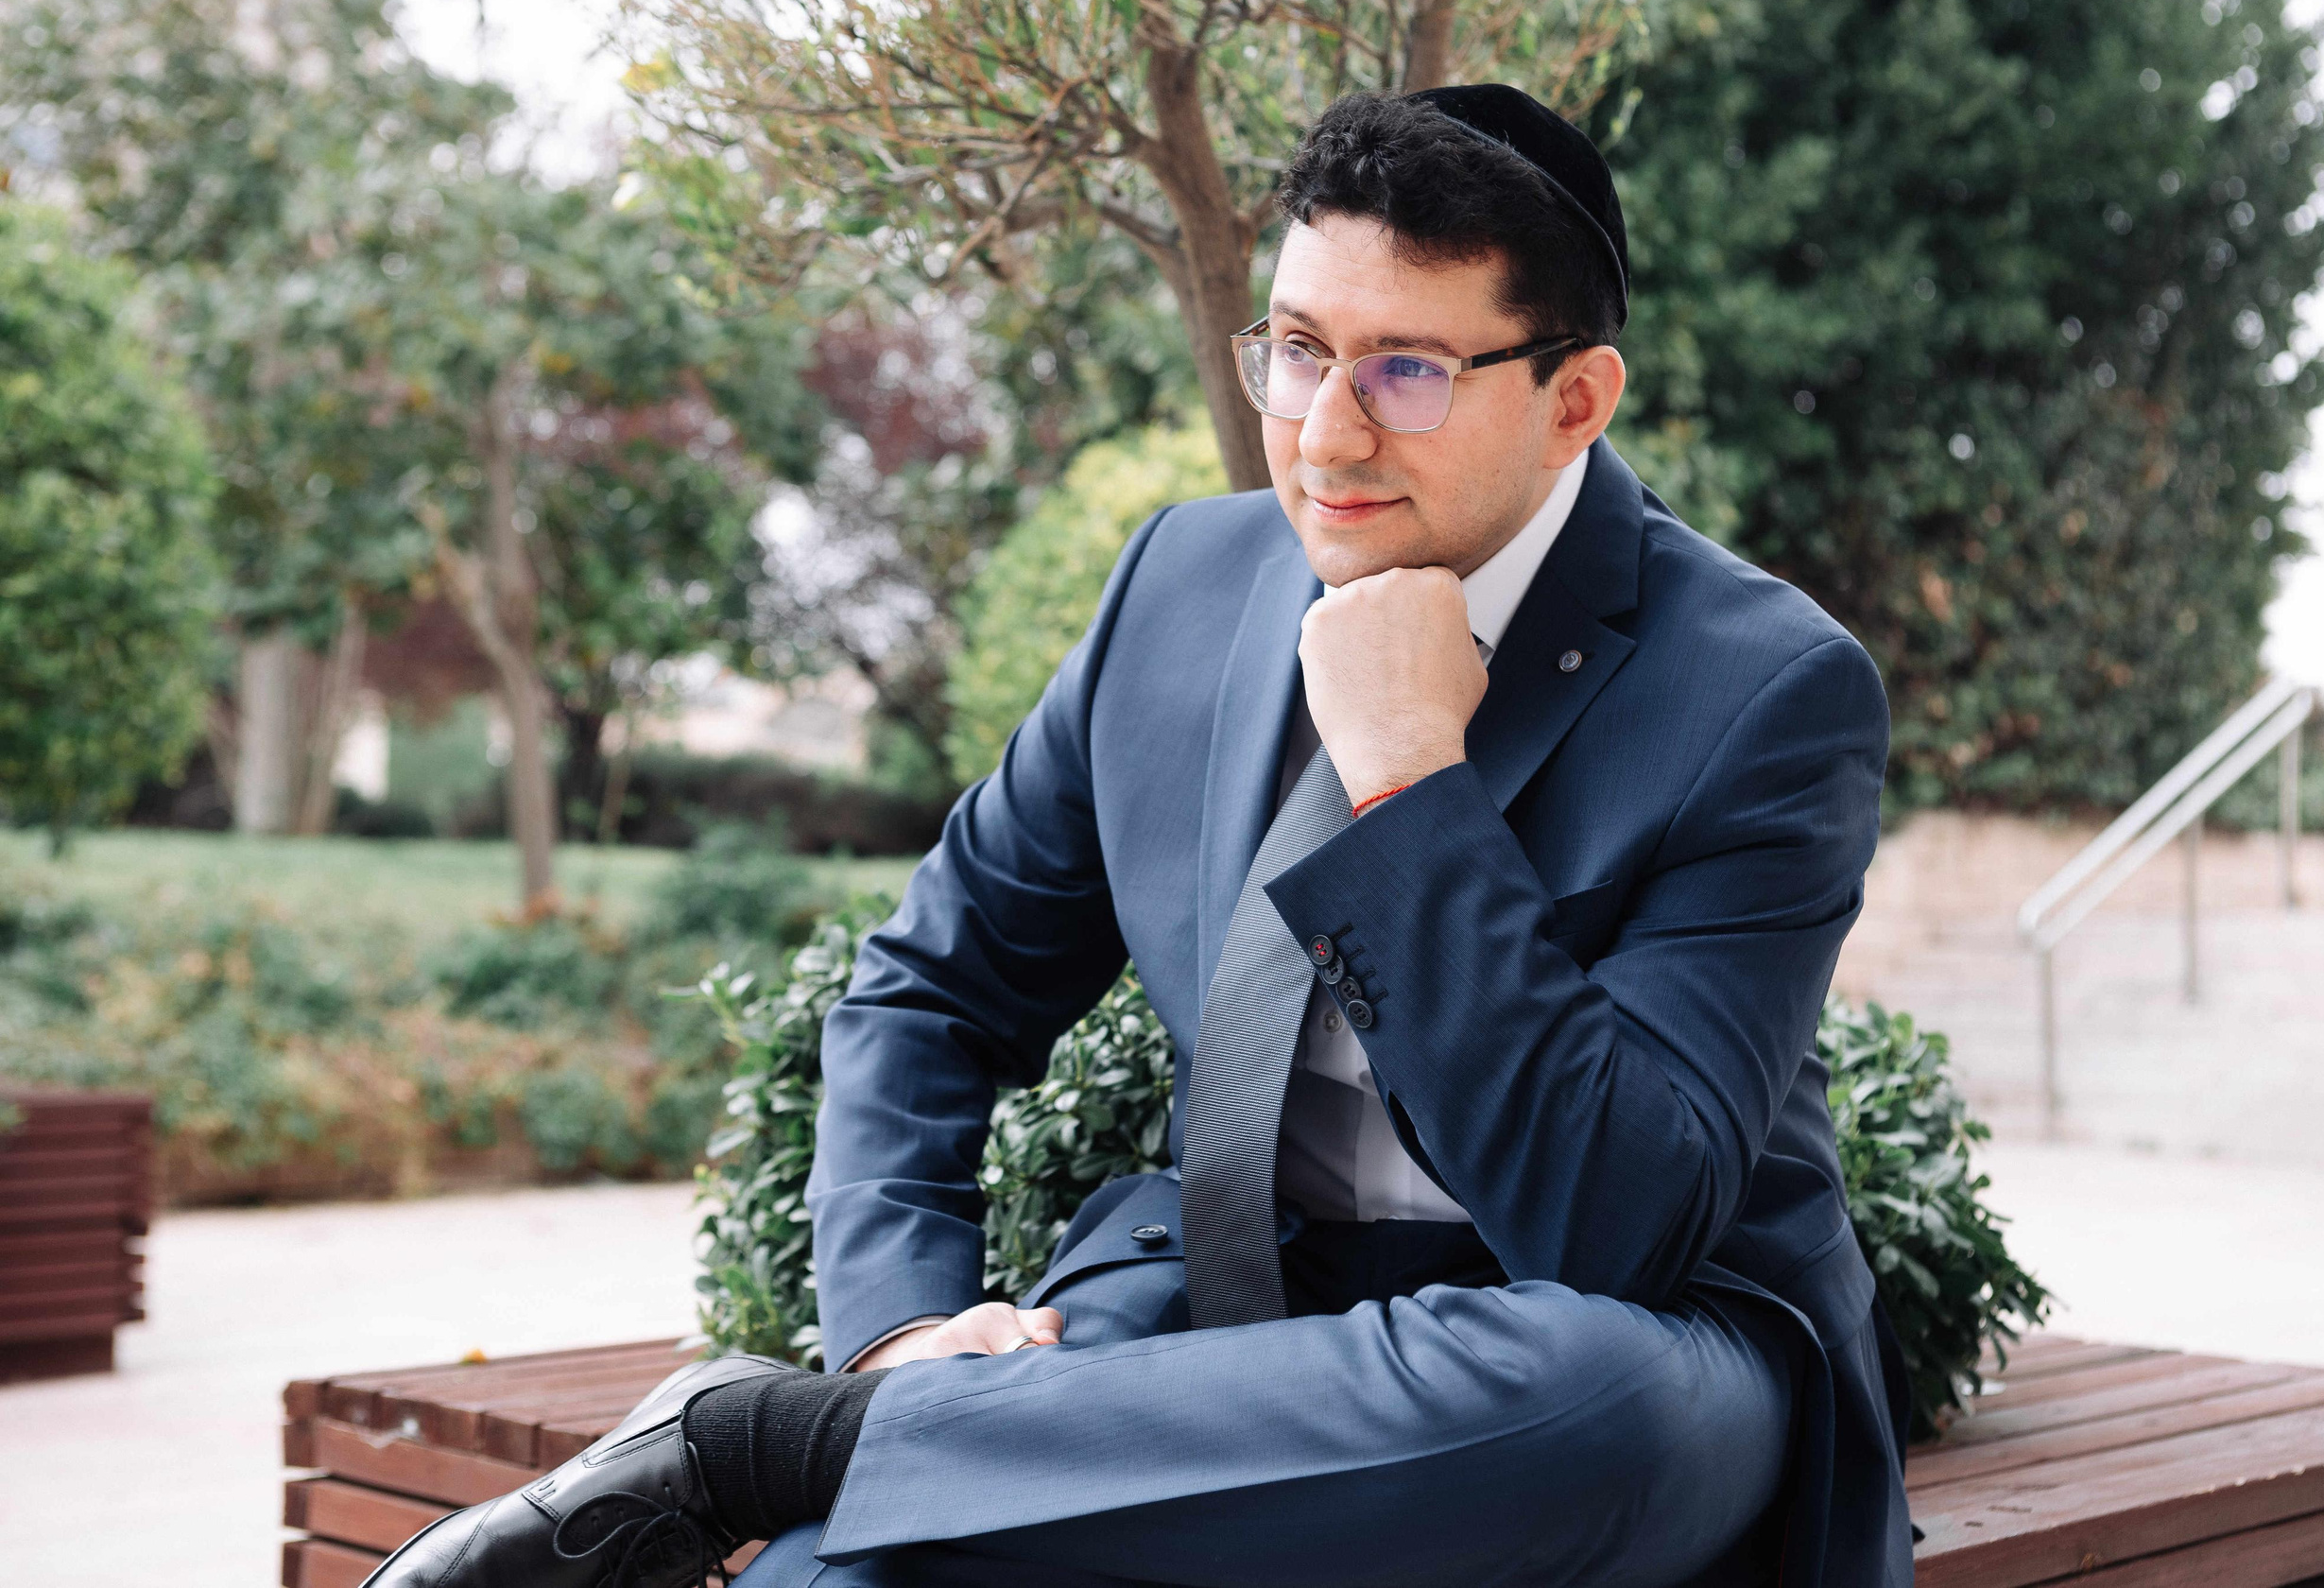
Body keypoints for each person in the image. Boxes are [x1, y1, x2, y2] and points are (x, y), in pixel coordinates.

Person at [364, 83, 1912, 1588]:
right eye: (1300, 351)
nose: (1325, 438)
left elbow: (1618, 1219)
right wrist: (902, 1338)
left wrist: (1408, 782)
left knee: (1603, 1408)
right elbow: (928, 993)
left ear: (1573, 399)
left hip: (1609, 1346)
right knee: (868, 1556)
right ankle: (814, 1436)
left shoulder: (1764, 692)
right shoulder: (1176, 588)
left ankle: (773, 1448)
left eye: (1409, 374)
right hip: (1218, 1295)